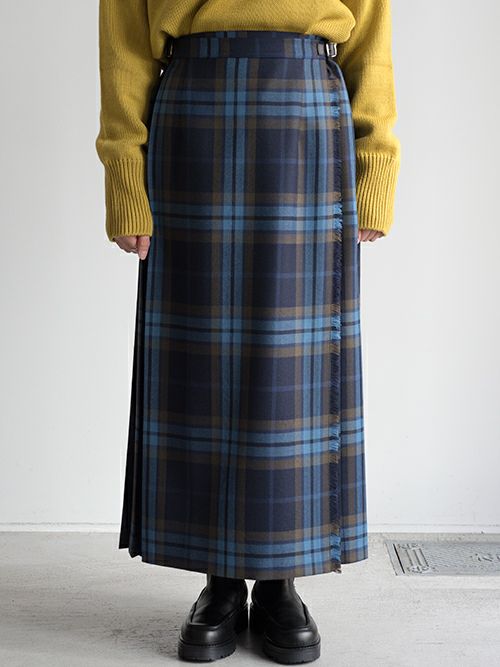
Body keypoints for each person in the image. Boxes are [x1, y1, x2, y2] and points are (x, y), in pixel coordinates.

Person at [95, 1, 400, 663]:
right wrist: (125, 178)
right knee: (202, 368)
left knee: (293, 371)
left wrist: (375, 165)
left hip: (308, 119)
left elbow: (371, 38)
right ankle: (221, 583)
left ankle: (280, 582)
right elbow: (124, 45)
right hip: (193, 116)